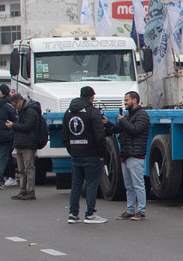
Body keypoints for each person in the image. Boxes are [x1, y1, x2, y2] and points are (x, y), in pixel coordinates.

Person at [63, 86, 108, 224]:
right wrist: (101, 154)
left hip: (76, 154)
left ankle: (73, 214)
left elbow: (65, 136)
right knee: (92, 184)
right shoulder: (92, 112)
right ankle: (90, 214)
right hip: (92, 154)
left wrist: (73, 150)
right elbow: (100, 135)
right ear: (92, 97)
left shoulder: (68, 112)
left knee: (76, 184)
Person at [107, 92, 150, 220]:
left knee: (138, 185)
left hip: (136, 155)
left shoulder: (142, 115)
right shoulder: (128, 116)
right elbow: (117, 129)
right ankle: (130, 210)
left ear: (135, 100)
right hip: (125, 154)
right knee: (129, 186)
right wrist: (107, 123)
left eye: (127, 100)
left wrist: (123, 120)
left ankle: (141, 211)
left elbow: (135, 130)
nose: (125, 103)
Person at [6, 94, 41, 200]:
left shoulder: (30, 111)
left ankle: (30, 192)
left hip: (28, 143)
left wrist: (13, 125)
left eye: (15, 105)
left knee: (28, 168)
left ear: (20, 101)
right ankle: (23, 191)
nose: (15, 108)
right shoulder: (22, 111)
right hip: (20, 142)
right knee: (21, 169)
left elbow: (28, 126)